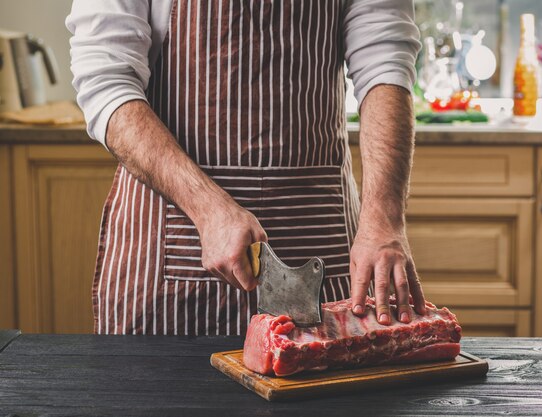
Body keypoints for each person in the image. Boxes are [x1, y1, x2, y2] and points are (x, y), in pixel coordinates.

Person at [66, 0, 426, 336]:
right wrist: (208, 209)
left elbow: (385, 61)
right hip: (172, 243)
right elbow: (107, 81)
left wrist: (383, 217)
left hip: (317, 236)